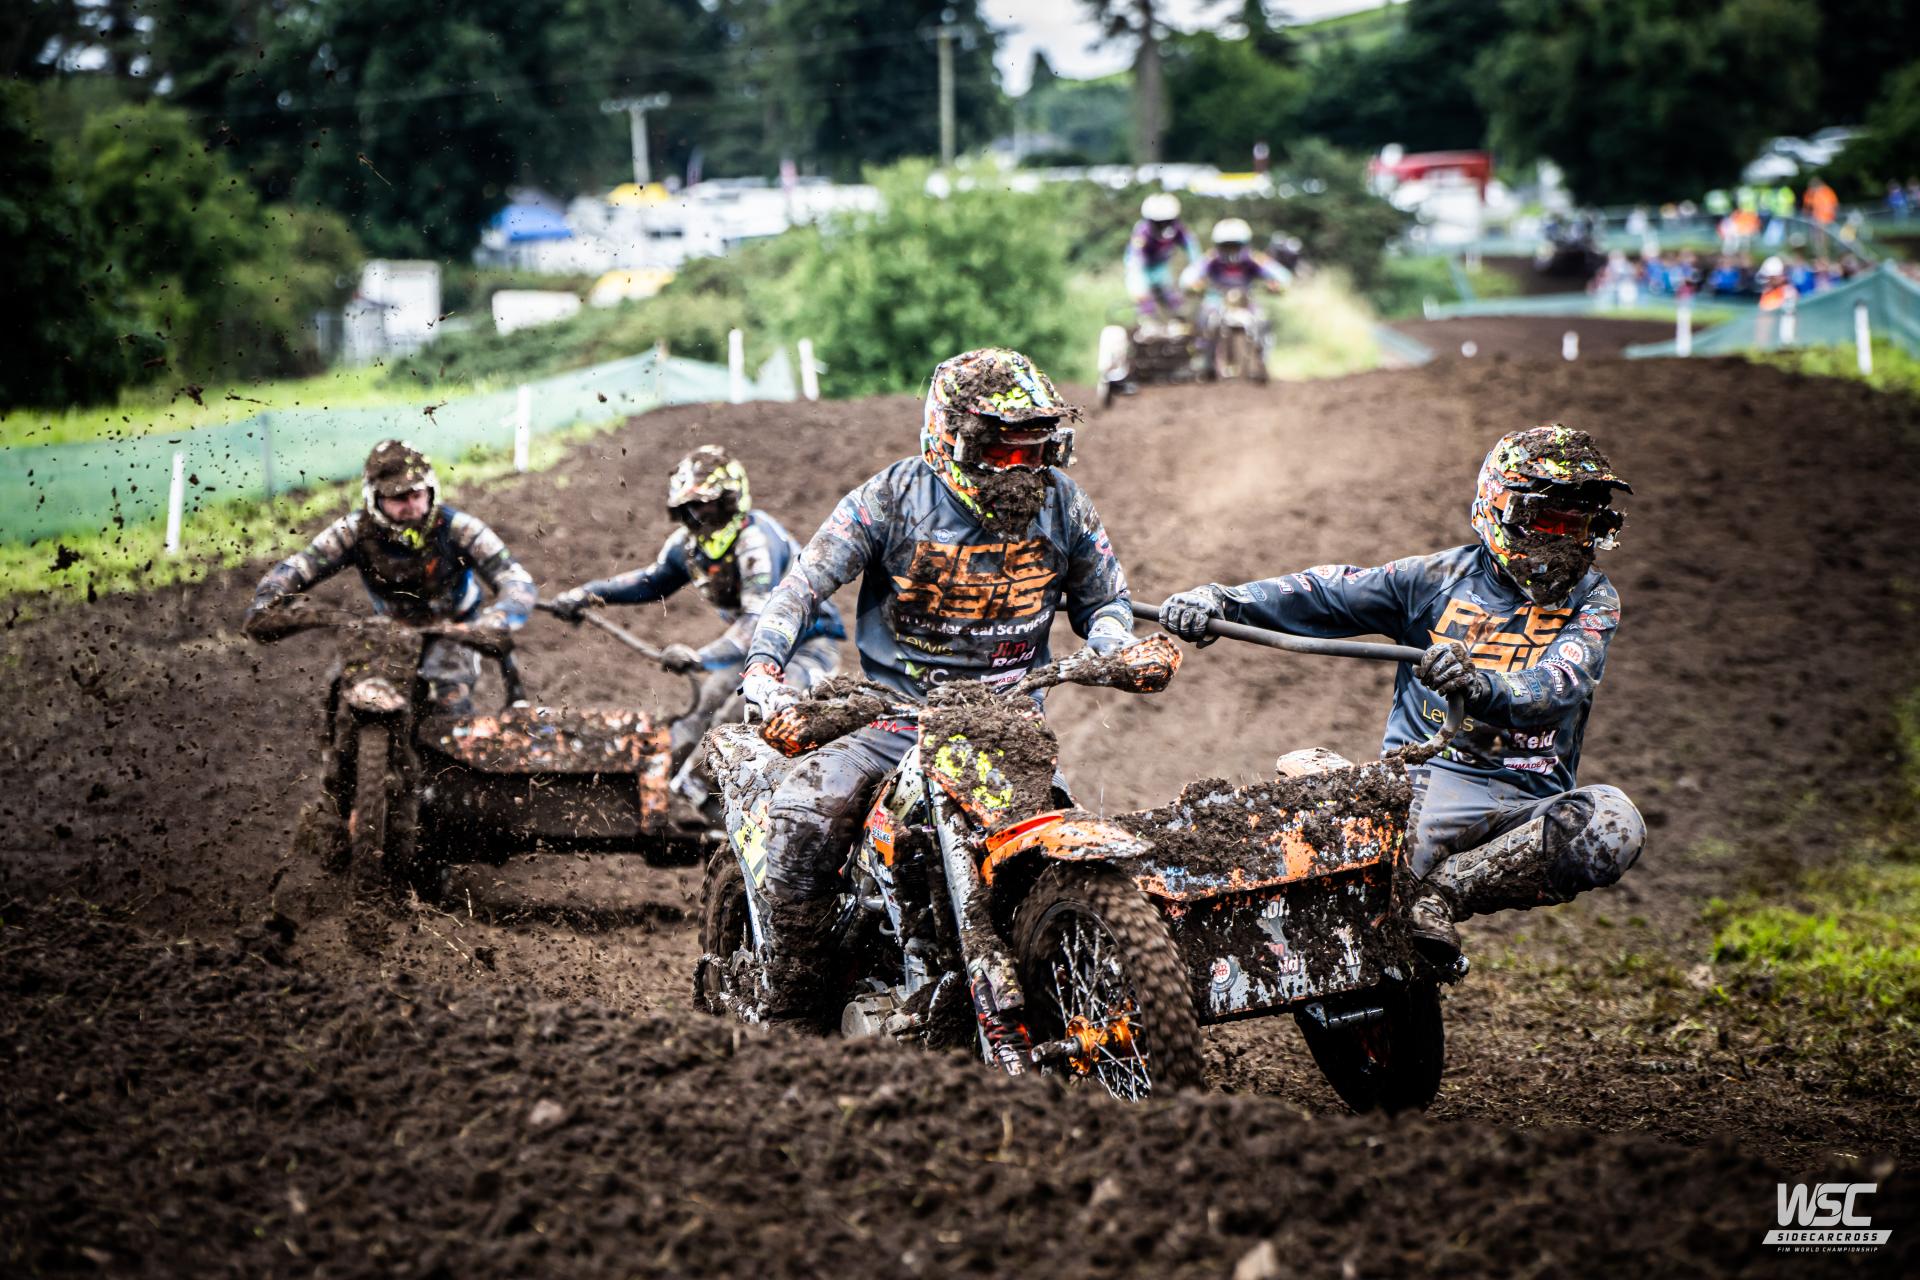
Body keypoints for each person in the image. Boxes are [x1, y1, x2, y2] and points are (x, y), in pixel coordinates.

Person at [737, 348, 1136, 1021]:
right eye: (1004, 452)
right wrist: (764, 666)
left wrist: (1113, 645)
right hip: (896, 722)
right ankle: (793, 1010)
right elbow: (801, 587)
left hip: (1007, 730)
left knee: (1059, 855)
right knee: (806, 817)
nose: (1022, 469)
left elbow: (1107, 601)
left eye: (1037, 450)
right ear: (951, 439)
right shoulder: (889, 499)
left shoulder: (1064, 503)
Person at [1156, 425, 1646, 964]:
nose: (1563, 541)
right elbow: (1329, 590)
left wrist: (1479, 684)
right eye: (1550, 521)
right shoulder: (1433, 580)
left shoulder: (1594, 600)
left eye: (1579, 526)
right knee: (1361, 909)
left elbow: (1560, 684)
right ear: (1502, 508)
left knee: (1614, 822)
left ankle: (1441, 896)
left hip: (1528, 801)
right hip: (1430, 783)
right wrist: (1222, 600)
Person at [548, 445, 844, 823]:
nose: (700, 515)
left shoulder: (756, 540)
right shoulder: (688, 547)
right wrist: (586, 594)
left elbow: (758, 620)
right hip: (751, 650)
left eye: (707, 505)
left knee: (746, 713)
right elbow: (650, 581)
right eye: (691, 507)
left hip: (806, 646)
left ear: (730, 500)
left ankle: (725, 805)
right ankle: (667, 794)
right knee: (705, 707)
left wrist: (701, 657)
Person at [243, 439, 534, 715]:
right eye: (398, 498)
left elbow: (513, 575)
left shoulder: (460, 528)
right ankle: (336, 752)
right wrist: (270, 596)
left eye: (417, 495)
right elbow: (302, 564)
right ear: (375, 498)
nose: (411, 506)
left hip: (454, 627)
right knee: (341, 691)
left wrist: (500, 617)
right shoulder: (353, 531)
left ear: (431, 491)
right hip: (389, 628)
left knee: (449, 699)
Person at [1181, 217, 1291, 369]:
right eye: (1226, 246)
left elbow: (1282, 275)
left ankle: (1262, 360)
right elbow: (1188, 277)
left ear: (1244, 244)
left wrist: (1275, 286)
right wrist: (1194, 286)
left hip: (1246, 302)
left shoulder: (1254, 259)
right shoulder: (1210, 259)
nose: (1230, 250)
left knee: (1262, 323)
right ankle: (1204, 357)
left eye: (1235, 246)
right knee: (1205, 321)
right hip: (1216, 301)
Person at [1125, 192, 1202, 327]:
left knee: (1170, 296)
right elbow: (1135, 260)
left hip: (1160, 266)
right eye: (1158, 223)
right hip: (1141, 267)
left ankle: (1177, 323)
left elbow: (1192, 249)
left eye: (1167, 222)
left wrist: (1196, 272)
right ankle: (1147, 323)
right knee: (1144, 297)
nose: (1163, 226)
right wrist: (1139, 287)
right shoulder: (1142, 232)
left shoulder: (1178, 229)